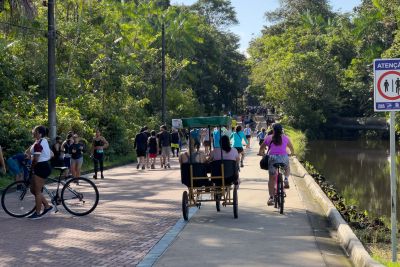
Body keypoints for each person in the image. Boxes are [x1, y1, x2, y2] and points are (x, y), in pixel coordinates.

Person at [258, 123, 295, 206]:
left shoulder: (269, 137)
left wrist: (260, 153)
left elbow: (262, 147)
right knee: (286, 166)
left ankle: (271, 197)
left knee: (271, 178)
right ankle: (285, 178)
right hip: (283, 158)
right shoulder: (285, 138)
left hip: (273, 159)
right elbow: (292, 148)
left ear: (273, 130)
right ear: (281, 130)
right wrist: (292, 153)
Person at [26, 125, 54, 220]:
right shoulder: (42, 141)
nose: (33, 131)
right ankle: (47, 206)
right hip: (42, 166)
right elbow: (52, 154)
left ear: (39, 133)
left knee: (37, 192)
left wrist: (32, 166)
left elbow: (36, 159)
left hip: (41, 167)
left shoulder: (39, 143)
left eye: (35, 130)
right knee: (33, 190)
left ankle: (37, 213)